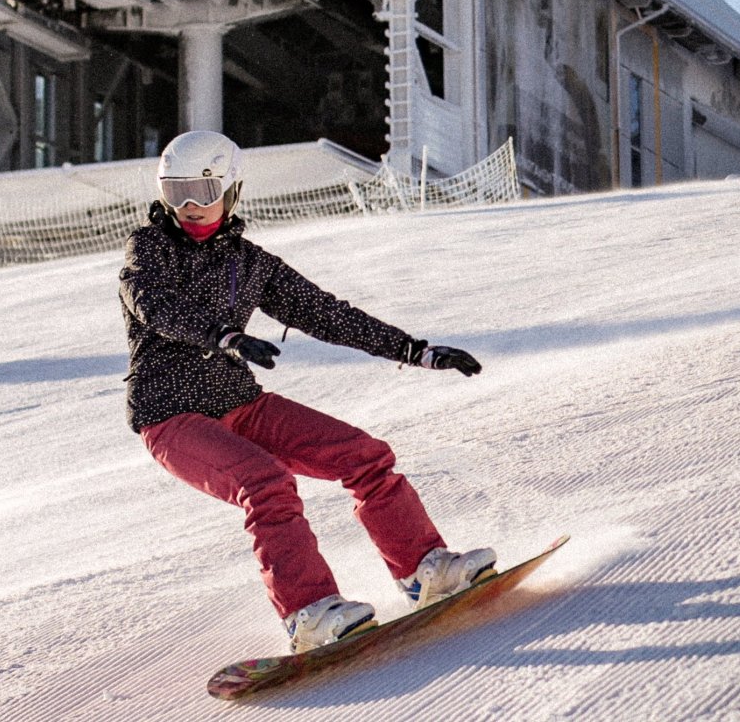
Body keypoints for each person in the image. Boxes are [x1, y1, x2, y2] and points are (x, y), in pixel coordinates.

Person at [119, 130, 496, 652]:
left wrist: (415, 350)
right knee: (265, 481)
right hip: (171, 415)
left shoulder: (249, 264)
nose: (189, 206)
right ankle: (309, 613)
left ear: (230, 193)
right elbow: (152, 304)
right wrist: (223, 336)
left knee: (363, 455)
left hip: (239, 402)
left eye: (202, 193)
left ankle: (424, 570)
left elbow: (326, 314)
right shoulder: (150, 248)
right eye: (176, 191)